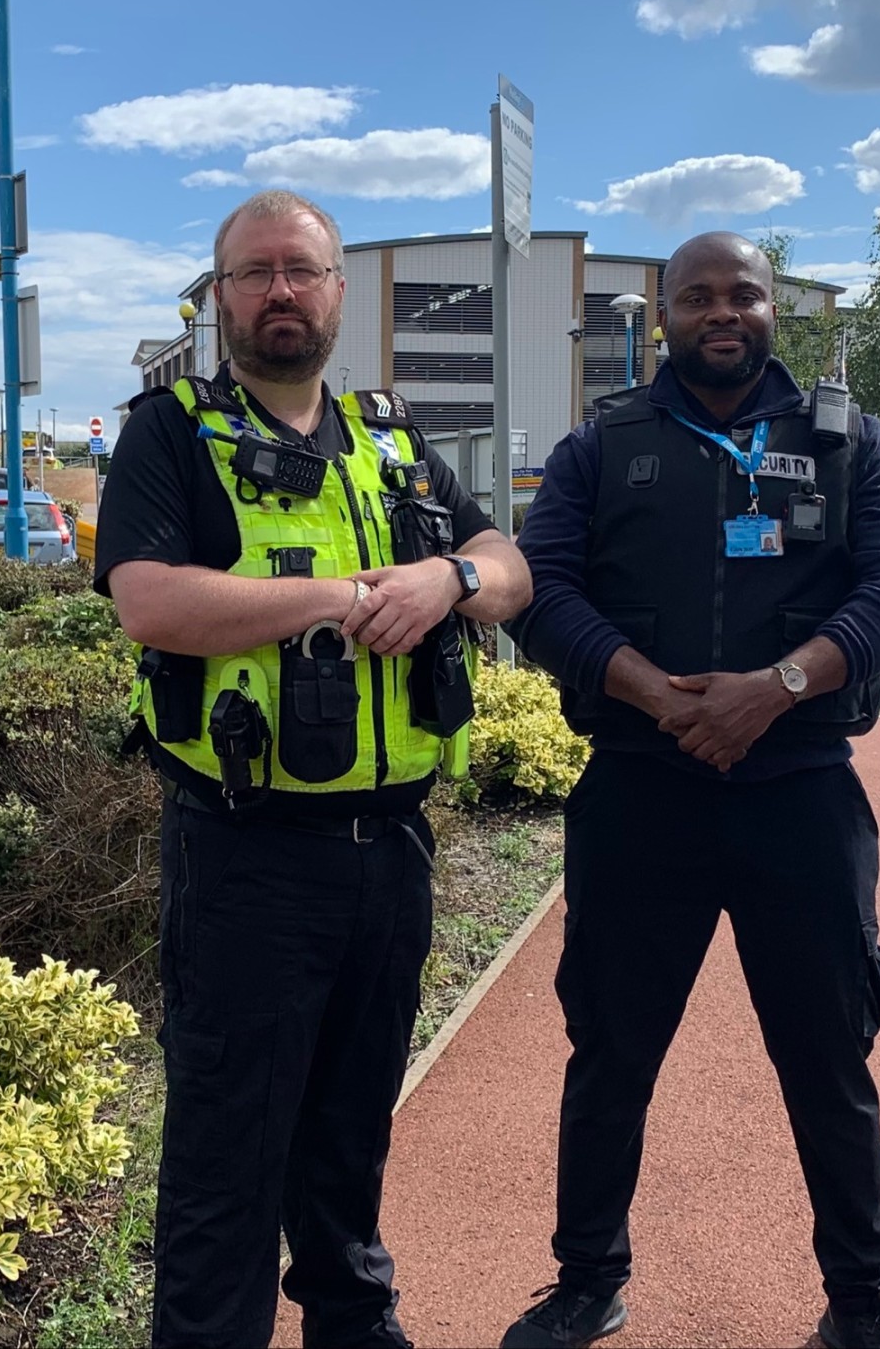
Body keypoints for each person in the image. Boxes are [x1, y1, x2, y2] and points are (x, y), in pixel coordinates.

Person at [96, 188, 532, 1349]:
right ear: (219, 297)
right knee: (226, 1152)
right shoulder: (170, 433)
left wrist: (450, 582)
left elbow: (507, 561)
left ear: (338, 291)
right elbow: (148, 598)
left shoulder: (394, 438)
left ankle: (353, 1322)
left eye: (301, 269)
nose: (279, 291)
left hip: (390, 850)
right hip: (245, 854)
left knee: (351, 1129)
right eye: (253, 273)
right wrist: (345, 599)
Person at [505, 232, 880, 1349]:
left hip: (800, 793)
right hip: (640, 795)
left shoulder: (848, 443)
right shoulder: (603, 444)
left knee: (829, 1057)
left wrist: (776, 690)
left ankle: (861, 1302)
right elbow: (540, 592)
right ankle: (587, 1280)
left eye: (741, 293)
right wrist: (656, 694)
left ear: (771, 307)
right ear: (662, 314)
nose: (721, 312)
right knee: (609, 1051)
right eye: (696, 297)